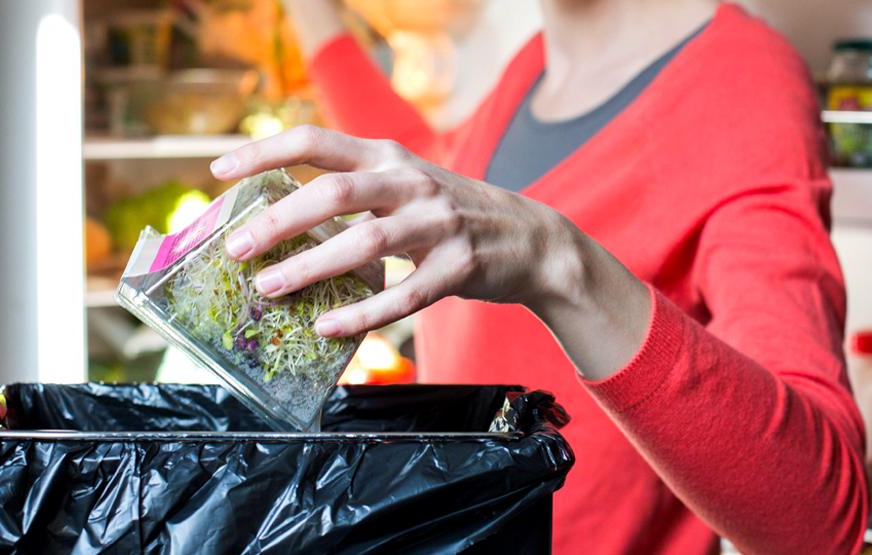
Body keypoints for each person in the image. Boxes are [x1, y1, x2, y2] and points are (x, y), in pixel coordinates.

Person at [209, 1, 868, 552]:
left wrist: (558, 262)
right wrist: (311, 14)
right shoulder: (527, 72)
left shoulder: (742, 81)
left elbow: (818, 520)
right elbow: (427, 168)